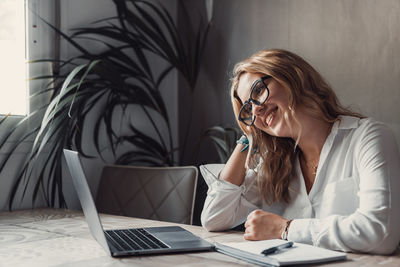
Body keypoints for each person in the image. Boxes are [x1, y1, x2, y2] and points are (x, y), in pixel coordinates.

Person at [200, 49, 400, 254]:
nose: (256, 110)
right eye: (248, 110)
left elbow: (380, 232)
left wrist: (285, 229)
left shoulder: (368, 137)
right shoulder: (272, 164)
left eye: (258, 91)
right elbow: (214, 218)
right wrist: (249, 135)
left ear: (293, 75)